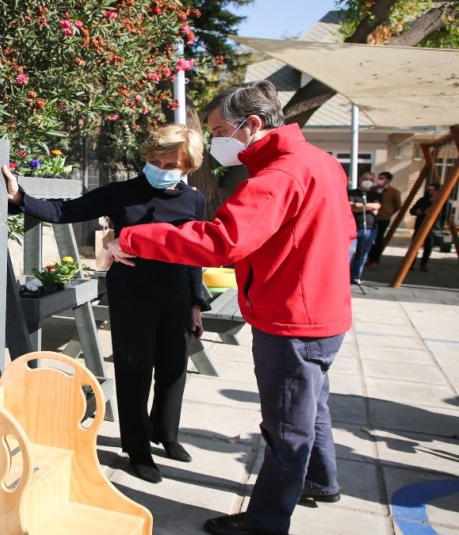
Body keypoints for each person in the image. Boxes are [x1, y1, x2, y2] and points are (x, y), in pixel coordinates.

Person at [106, 81, 354, 535]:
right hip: (325, 310)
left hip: (290, 318)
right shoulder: (321, 162)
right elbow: (347, 233)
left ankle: (264, 522)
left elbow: (221, 242)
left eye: (220, 130)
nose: (217, 140)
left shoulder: (278, 175)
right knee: (312, 404)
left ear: (252, 125)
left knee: (285, 427)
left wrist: (129, 237)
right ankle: (320, 480)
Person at [1, 124, 210, 484]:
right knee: (135, 370)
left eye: (170, 163)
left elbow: (195, 254)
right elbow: (65, 210)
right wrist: (21, 198)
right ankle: (138, 449)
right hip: (132, 293)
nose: (161, 166)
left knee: (174, 368)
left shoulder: (195, 201)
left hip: (176, 292)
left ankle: (167, 434)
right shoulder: (122, 193)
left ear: (188, 167)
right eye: (156, 159)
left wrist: (196, 301)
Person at [347, 172, 382, 283]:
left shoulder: (376, 195)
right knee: (348, 253)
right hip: (353, 227)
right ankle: (344, 277)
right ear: (360, 179)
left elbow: (377, 206)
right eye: (365, 178)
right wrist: (370, 208)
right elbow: (350, 206)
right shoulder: (351, 192)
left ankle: (356, 276)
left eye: (371, 179)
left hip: (369, 228)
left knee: (362, 254)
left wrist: (358, 205)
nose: (368, 181)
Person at [410, 183, 452, 272]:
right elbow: (412, 210)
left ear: (437, 191)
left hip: (432, 227)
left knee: (428, 245)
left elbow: (445, 216)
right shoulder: (423, 200)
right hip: (420, 225)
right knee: (414, 245)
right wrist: (418, 211)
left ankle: (423, 264)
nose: (429, 191)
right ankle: (410, 263)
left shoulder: (443, 202)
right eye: (428, 189)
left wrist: (433, 214)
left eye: (431, 189)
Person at [366, 171, 402, 269]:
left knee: (378, 239)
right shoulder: (373, 189)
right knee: (369, 238)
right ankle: (370, 257)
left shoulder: (394, 192)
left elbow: (397, 205)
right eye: (379, 177)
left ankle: (375, 260)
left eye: (382, 178)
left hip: (383, 218)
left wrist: (388, 213)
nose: (380, 180)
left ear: (388, 180)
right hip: (371, 217)